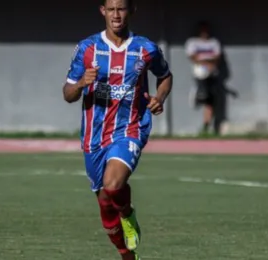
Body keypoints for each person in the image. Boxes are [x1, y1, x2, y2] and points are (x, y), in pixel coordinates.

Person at [62, 0, 173, 259]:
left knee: (113, 185)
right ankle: (127, 255)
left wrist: (160, 98)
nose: (116, 15)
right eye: (110, 9)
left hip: (130, 127)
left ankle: (127, 213)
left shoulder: (146, 49)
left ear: (131, 11)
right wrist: (80, 83)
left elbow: (165, 76)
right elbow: (67, 94)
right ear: (102, 11)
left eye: (121, 8)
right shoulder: (87, 48)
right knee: (104, 202)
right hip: (94, 135)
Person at [185, 20, 221, 134]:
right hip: (199, 74)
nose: (205, 32)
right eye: (202, 30)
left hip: (212, 75)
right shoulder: (192, 42)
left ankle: (206, 125)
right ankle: (197, 93)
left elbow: (217, 57)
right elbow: (192, 56)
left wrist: (207, 62)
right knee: (203, 96)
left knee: (210, 101)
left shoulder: (214, 42)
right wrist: (206, 62)